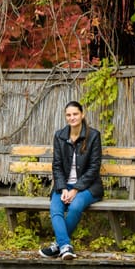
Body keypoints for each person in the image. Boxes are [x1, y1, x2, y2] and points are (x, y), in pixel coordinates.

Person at [39, 101, 104, 260]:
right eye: (68, 115)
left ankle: (59, 245)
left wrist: (75, 189)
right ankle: (66, 246)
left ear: (82, 115)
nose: (72, 117)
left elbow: (94, 168)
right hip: (64, 186)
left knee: (75, 206)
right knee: (55, 208)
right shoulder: (60, 136)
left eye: (75, 114)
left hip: (88, 187)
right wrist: (63, 188)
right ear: (65, 117)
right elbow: (57, 166)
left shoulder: (93, 136)